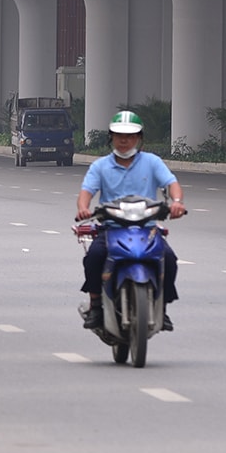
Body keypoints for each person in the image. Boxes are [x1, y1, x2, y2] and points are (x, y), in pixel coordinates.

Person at [75, 111, 185, 331]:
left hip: (147, 228)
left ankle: (162, 308)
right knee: (94, 256)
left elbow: (171, 183)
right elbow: (86, 192)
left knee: (170, 259)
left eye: (130, 136)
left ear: (139, 138)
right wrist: (83, 209)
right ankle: (95, 305)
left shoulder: (152, 162)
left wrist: (177, 202)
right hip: (111, 228)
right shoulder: (100, 166)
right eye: (119, 135)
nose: (124, 141)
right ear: (111, 137)